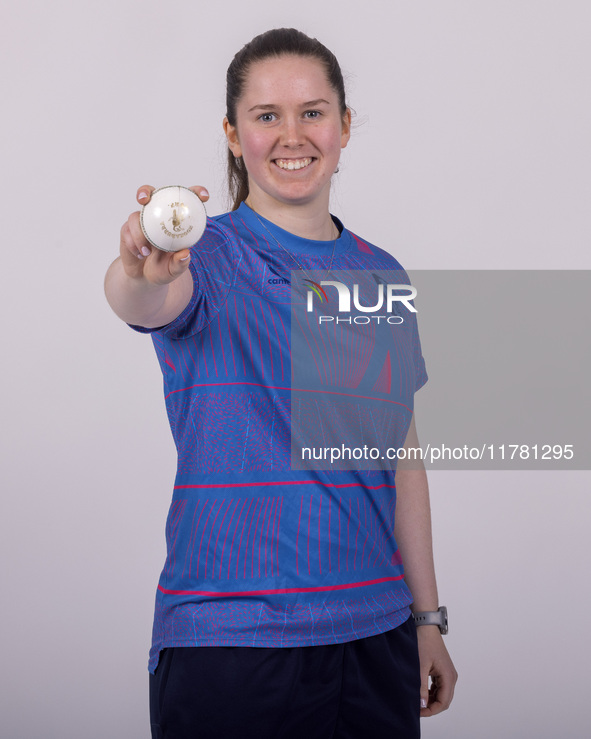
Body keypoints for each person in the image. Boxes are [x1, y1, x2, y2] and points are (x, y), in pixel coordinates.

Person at [105, 27, 457, 739]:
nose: (291, 134)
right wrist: (142, 270)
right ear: (234, 135)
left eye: (312, 111)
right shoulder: (203, 255)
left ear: (344, 126)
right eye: (266, 115)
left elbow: (402, 457)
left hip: (375, 632)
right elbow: (141, 300)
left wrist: (425, 617)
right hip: (230, 642)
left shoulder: (380, 274)